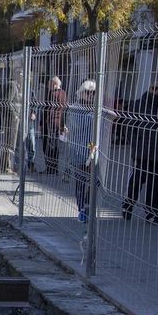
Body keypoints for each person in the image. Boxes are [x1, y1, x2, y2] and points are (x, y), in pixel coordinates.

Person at [119, 83, 158, 224]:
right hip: (142, 152)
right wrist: (135, 143)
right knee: (137, 181)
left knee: (156, 185)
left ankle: (152, 213)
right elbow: (128, 126)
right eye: (155, 88)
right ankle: (127, 206)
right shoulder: (138, 105)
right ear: (150, 89)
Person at [65, 80, 98, 222]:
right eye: (88, 92)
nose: (90, 95)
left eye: (93, 93)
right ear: (81, 92)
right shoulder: (75, 108)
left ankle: (88, 206)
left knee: (94, 181)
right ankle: (82, 209)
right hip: (78, 150)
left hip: (93, 149)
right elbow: (78, 125)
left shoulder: (95, 108)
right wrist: (94, 116)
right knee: (81, 181)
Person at [41, 76, 67, 174]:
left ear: (55, 84)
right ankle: (54, 167)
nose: (48, 86)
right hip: (59, 122)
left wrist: (42, 123)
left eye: (49, 84)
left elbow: (48, 110)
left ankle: (50, 168)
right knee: (55, 146)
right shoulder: (64, 93)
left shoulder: (52, 94)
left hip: (51, 123)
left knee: (47, 145)